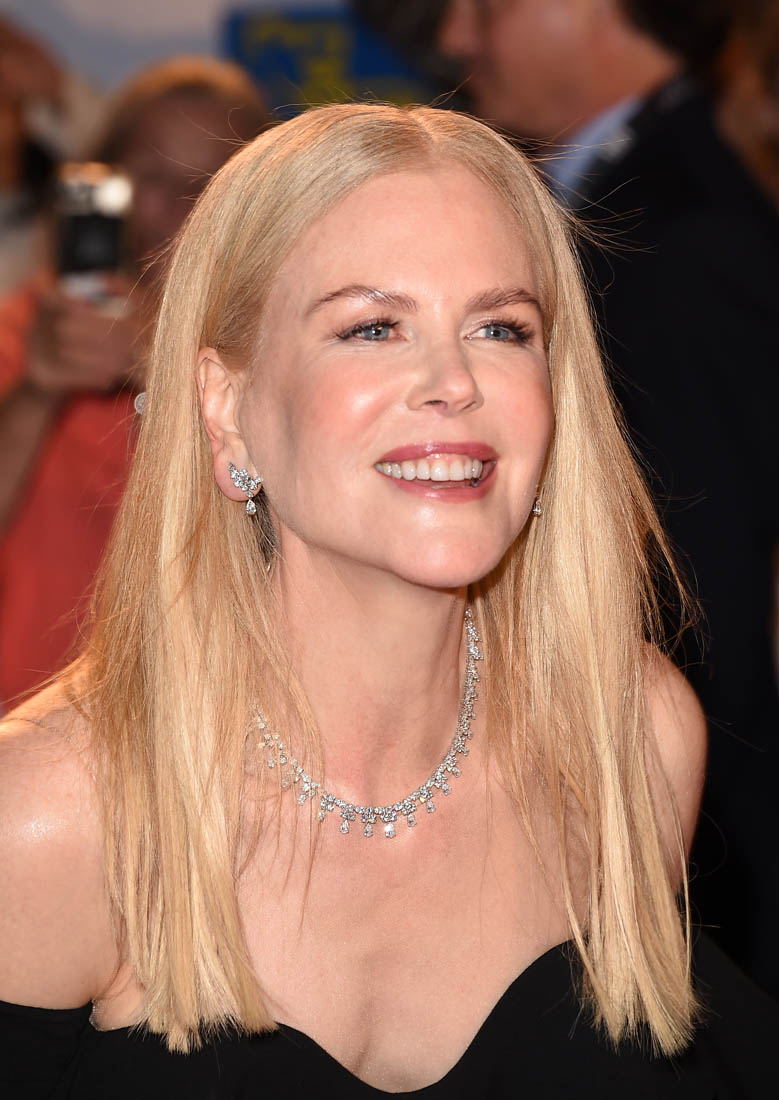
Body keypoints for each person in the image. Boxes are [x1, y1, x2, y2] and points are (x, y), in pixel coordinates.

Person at [1, 102, 776, 1098]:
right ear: (226, 408)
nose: (453, 381)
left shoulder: (626, 736)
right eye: (371, 326)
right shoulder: (54, 817)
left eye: (501, 328)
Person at [436, 0, 779, 994]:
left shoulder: (678, 229)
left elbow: (696, 592)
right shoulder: (636, 187)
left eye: (486, 4)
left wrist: (690, 888)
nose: (456, 36)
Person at [0, 56, 269, 709]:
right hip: (25, 713)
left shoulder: (277, 355)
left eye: (209, 180)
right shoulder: (26, 330)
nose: (180, 206)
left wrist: (170, 368)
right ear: (102, 187)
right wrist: (36, 393)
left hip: (203, 715)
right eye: (154, 175)